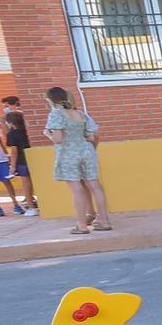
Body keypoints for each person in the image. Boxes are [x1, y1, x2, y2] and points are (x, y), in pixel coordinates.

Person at [42, 86, 111, 233]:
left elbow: (58, 139)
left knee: (77, 189)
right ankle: (104, 221)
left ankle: (82, 225)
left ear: (50, 99)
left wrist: (48, 134)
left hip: (69, 153)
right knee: (95, 186)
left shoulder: (56, 114)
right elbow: (91, 135)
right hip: (86, 151)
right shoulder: (80, 113)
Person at [0, 96, 39, 213]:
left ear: (10, 123)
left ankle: (31, 207)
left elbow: (14, 151)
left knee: (26, 184)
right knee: (35, 181)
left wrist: (12, 166)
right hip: (32, 158)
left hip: (22, 161)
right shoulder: (26, 132)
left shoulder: (12, 135)